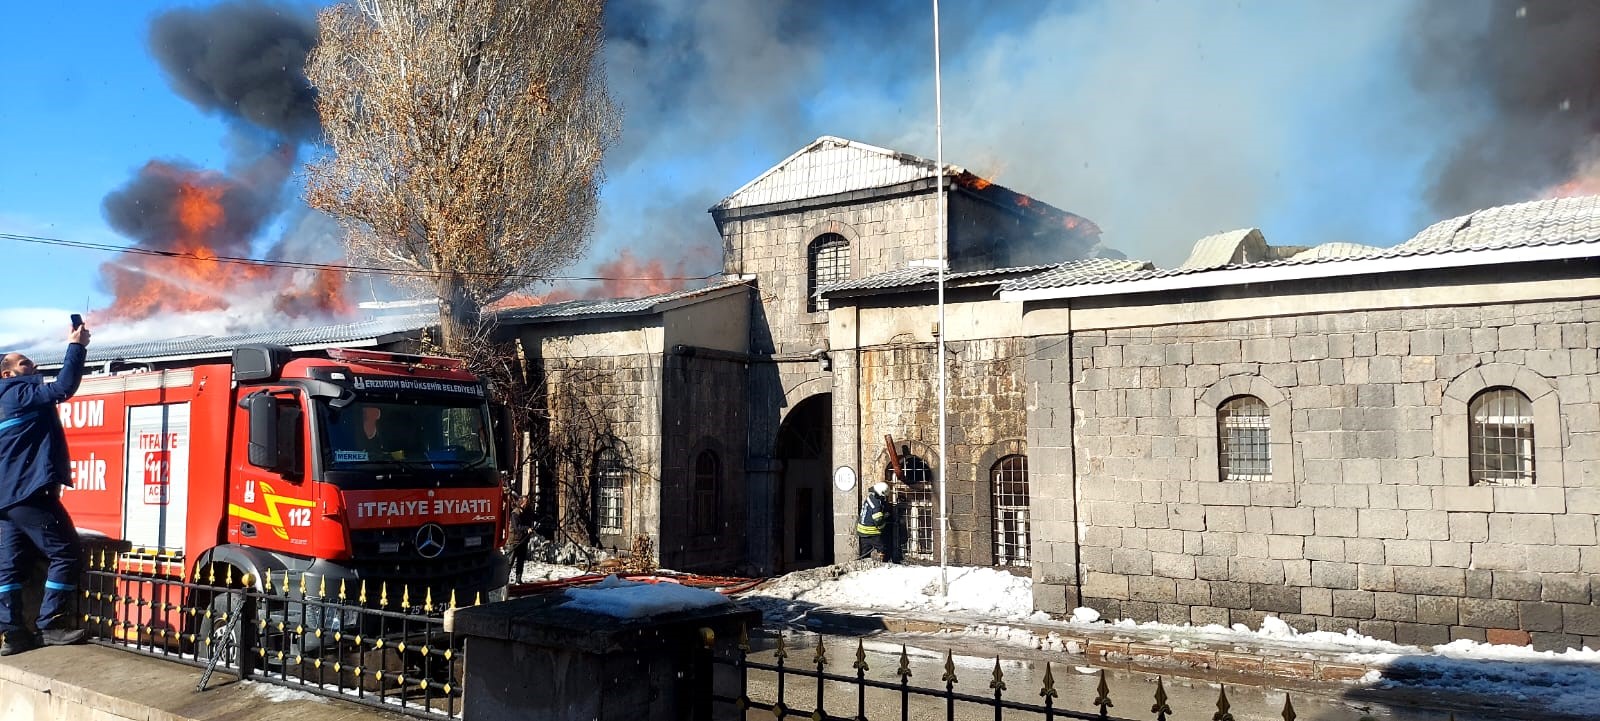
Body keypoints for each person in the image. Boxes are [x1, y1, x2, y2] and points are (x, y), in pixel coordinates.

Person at [0, 322, 91, 655]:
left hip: (7, 499)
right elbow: (65, 387)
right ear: (7, 374)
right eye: (24, 363)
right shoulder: (17, 393)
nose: (33, 366)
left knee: (9, 567)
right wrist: (76, 346)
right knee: (65, 552)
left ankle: (13, 635)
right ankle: (50, 624)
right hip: (29, 494)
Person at [855, 481, 890, 561]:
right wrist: (884, 519)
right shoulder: (876, 506)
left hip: (862, 532)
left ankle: (864, 566)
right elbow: (878, 521)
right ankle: (883, 563)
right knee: (882, 548)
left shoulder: (870, 498)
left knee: (865, 552)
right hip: (871, 532)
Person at [507, 494, 535, 583]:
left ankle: (518, 580)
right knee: (510, 562)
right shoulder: (515, 513)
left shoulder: (527, 512)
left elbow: (534, 516)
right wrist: (527, 528)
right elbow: (517, 527)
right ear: (521, 503)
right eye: (526, 502)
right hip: (515, 541)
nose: (527, 504)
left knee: (520, 561)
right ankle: (504, 581)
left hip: (523, 540)